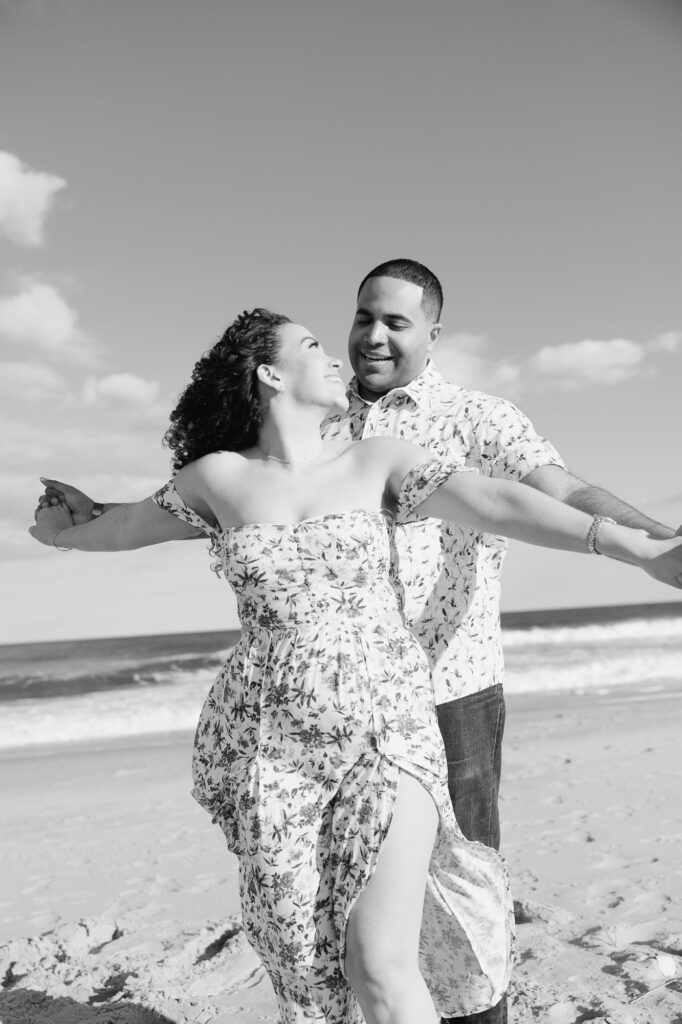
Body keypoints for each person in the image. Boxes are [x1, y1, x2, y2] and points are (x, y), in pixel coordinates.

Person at [35, 265, 681, 1024]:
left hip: (410, 712)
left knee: (424, 935)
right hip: (276, 742)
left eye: (395, 323)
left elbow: (519, 497)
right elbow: (134, 524)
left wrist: (646, 545)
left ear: (431, 334)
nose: (359, 342)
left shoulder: (420, 440)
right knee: (306, 959)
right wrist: (69, 532)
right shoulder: (220, 476)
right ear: (272, 372)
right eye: (341, 328)